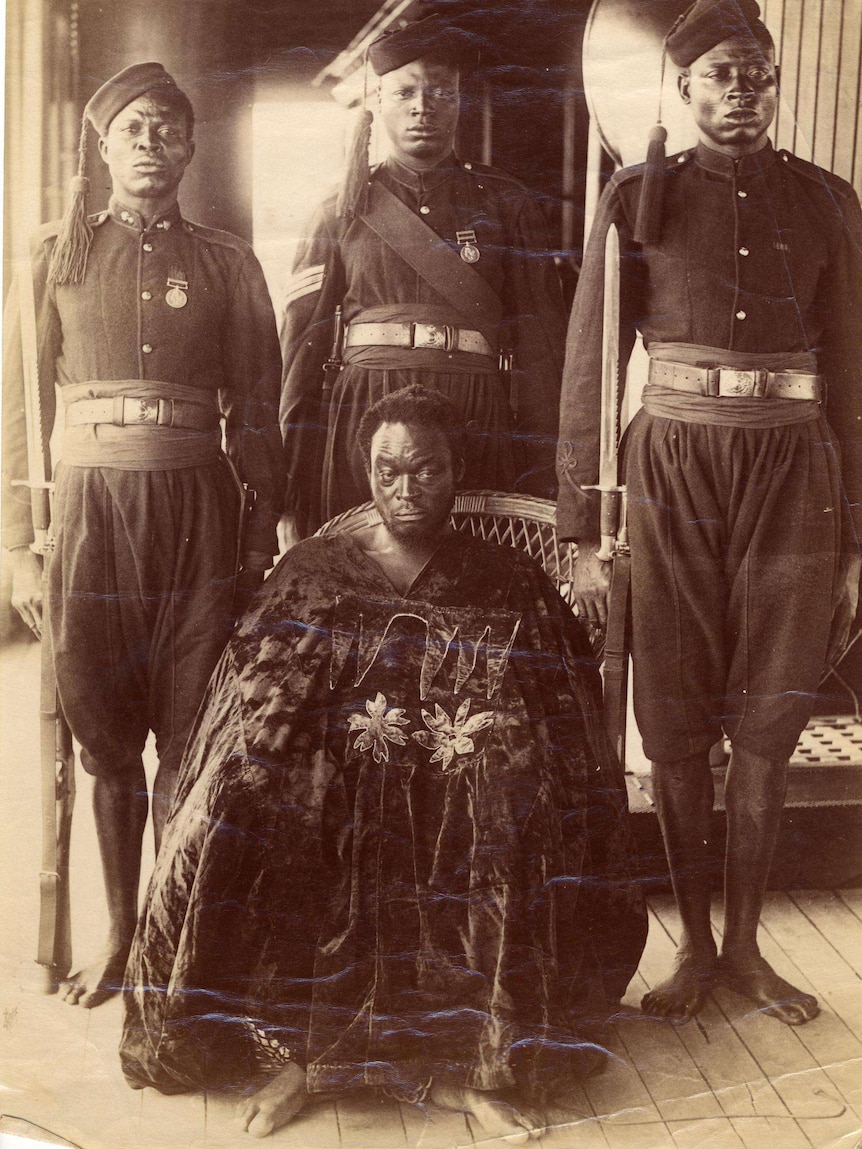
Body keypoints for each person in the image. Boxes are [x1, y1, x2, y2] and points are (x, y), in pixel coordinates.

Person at [120, 385, 647, 1140]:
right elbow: (258, 702)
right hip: (336, 778)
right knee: (264, 801)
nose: (406, 490)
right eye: (387, 470)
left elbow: (557, 712)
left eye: (426, 469)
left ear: (456, 466)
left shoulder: (505, 578)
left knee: (511, 806)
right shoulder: (315, 568)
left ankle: (478, 1068)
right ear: (363, 469)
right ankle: (306, 1060)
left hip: (460, 780)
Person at [557, 0, 862, 1026]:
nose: (742, 91)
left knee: (772, 720)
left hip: (795, 475)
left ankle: (745, 953)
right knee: (678, 718)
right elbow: (591, 372)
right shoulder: (637, 198)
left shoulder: (828, 203)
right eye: (720, 75)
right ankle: (690, 952)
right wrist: (581, 529)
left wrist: (855, 532)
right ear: (683, 90)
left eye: (757, 75)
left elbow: (854, 373)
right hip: (672, 469)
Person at [2, 62, 284, 1008]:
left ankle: (179, 932)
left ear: (191, 146)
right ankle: (122, 933)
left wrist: (253, 545)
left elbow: (259, 416)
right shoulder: (53, 256)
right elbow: (16, 409)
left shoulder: (226, 262)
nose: (152, 143)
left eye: (169, 127)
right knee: (105, 741)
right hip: (89, 520)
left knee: (193, 731)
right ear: (102, 144)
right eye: (134, 128)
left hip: (199, 514)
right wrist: (15, 545)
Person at [279, 13, 567, 538]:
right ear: (378, 101)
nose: (422, 106)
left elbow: (542, 350)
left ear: (460, 101)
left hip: (474, 412)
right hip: (365, 413)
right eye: (405, 91)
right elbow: (301, 353)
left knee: (473, 571)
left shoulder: (506, 204)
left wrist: (549, 475)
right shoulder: (339, 208)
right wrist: (289, 487)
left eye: (441, 91)